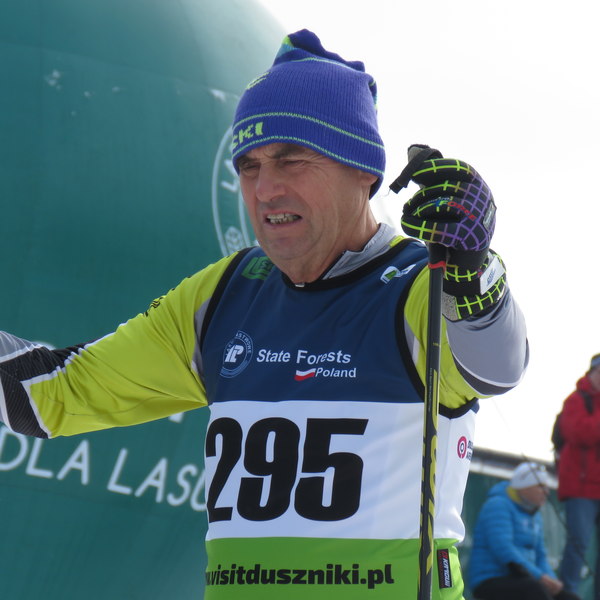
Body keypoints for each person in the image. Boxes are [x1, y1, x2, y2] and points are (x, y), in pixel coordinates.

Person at [0, 29, 528, 599]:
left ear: (363, 171)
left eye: (291, 159)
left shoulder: (420, 284)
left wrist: (474, 273)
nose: (265, 188)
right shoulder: (224, 294)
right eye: (248, 166)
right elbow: (54, 393)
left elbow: (497, 369)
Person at [469, 462, 580, 600]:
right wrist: (540, 576)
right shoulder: (497, 505)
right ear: (524, 488)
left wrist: (551, 581)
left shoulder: (534, 514)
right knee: (534, 590)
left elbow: (540, 556)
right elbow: (503, 548)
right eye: (540, 486)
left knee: (569, 598)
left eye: (546, 487)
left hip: (525, 579)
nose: (546, 492)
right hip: (490, 580)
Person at [557, 354, 600, 599]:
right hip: (580, 489)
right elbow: (579, 433)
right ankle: (567, 594)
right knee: (578, 544)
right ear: (591, 373)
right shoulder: (575, 400)